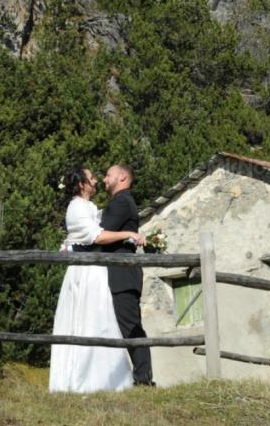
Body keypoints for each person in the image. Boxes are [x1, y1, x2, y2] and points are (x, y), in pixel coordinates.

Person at [49, 166, 145, 393]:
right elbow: (97, 236)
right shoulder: (76, 207)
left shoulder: (90, 207)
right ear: (82, 184)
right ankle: (83, 381)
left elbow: (99, 227)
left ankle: (105, 381)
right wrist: (129, 234)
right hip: (85, 272)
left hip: (96, 271)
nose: (97, 181)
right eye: (92, 178)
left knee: (100, 322)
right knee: (86, 321)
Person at [102, 164, 154, 386]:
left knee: (130, 326)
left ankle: (143, 379)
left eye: (108, 174)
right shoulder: (123, 201)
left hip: (123, 273)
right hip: (121, 272)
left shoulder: (121, 202)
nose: (104, 179)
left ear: (122, 177)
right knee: (126, 325)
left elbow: (100, 235)